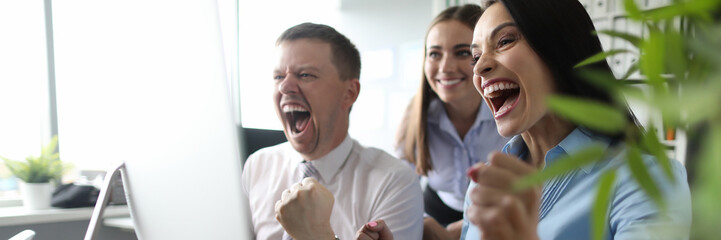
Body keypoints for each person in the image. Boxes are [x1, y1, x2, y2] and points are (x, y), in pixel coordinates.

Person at [460, 0, 692, 239]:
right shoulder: (482, 185)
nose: (479, 68)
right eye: (475, 57)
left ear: (560, 47)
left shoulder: (650, 180)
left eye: (505, 41)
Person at [241, 22, 423, 240]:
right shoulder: (256, 167)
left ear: (349, 93)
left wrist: (317, 234)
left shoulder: (394, 183)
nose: (285, 86)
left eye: (305, 75)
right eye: (279, 77)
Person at [395, 4, 507, 240]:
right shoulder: (416, 115)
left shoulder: (511, 112)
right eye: (435, 53)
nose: (445, 67)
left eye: (462, 52)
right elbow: (400, 186)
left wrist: (467, 227)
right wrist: (423, 221)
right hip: (433, 213)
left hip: (500, 215)